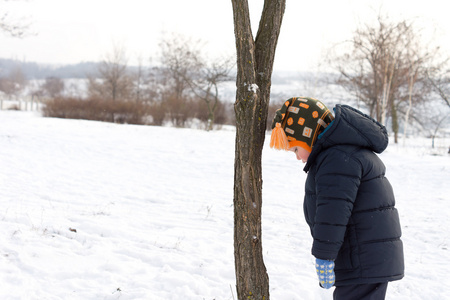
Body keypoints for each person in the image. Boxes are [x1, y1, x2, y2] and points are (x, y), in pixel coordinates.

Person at [270, 97, 404, 300]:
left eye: (296, 149)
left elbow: (333, 212)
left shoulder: (336, 159)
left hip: (361, 259)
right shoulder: (345, 151)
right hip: (367, 257)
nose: (297, 157)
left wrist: (324, 255)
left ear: (308, 135)